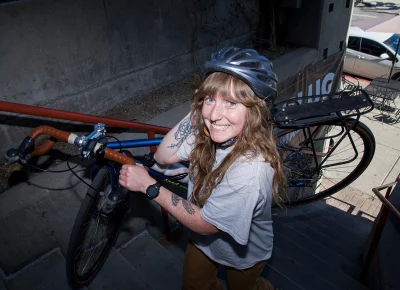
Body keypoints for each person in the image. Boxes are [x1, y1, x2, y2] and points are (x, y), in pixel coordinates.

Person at [118, 46, 286, 290]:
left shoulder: (251, 169)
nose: (216, 114)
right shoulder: (211, 132)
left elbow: (206, 223)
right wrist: (199, 112)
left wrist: (150, 187)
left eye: (231, 102)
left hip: (243, 255)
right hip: (204, 243)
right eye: (210, 99)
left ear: (254, 111)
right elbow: (164, 156)